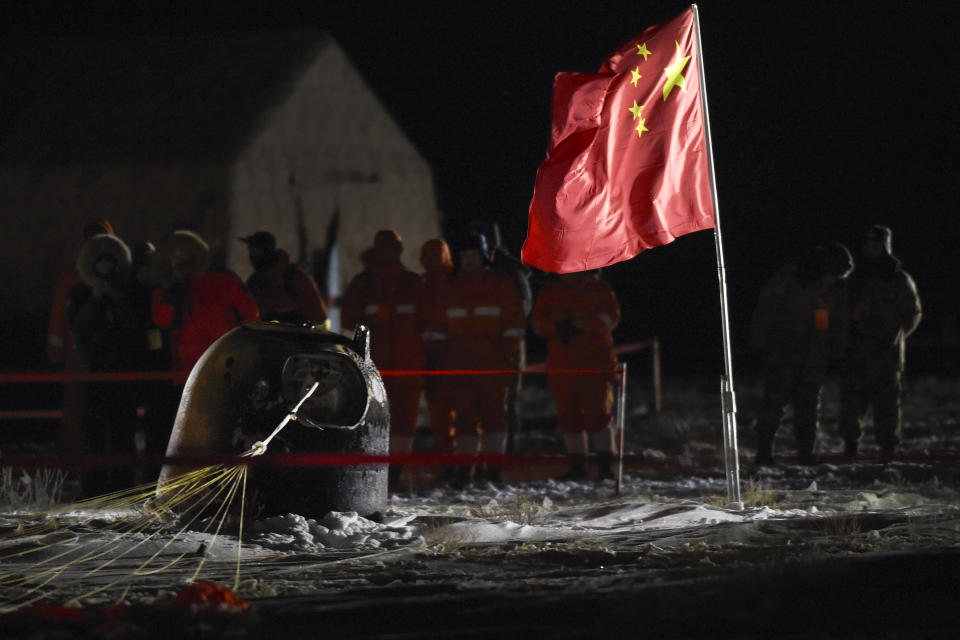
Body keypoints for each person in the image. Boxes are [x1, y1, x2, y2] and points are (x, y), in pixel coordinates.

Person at [749, 243, 854, 465]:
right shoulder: (791, 279)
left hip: (814, 356)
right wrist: (759, 344)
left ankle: (806, 454)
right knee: (773, 406)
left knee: (808, 407)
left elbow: (839, 323)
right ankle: (764, 454)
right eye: (832, 274)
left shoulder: (837, 289)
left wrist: (837, 352)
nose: (834, 279)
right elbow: (766, 310)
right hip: (783, 354)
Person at [437, 233, 525, 486]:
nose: (469, 261)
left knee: (494, 417)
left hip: (492, 364)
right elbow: (437, 325)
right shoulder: (450, 287)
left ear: (484, 256)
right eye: (465, 256)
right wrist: (443, 357)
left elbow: (514, 323)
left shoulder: (500, 283)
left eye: (474, 255)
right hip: (459, 365)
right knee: (463, 418)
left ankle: (493, 470)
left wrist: (502, 354)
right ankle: (466, 470)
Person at [341, 230, 427, 488]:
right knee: (373, 415)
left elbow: (428, 321)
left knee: (404, 418)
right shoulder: (364, 283)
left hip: (404, 363)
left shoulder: (413, 283)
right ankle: (378, 469)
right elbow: (348, 320)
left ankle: (395, 471)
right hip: (375, 363)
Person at [66, 232, 141, 495]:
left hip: (121, 373)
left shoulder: (128, 293)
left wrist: (117, 301)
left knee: (123, 433)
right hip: (92, 374)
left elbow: (135, 328)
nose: (106, 267)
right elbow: (76, 326)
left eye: (111, 261)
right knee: (92, 434)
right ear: (91, 264)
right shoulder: (79, 293)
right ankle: (92, 489)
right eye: (101, 262)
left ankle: (123, 488)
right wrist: (95, 299)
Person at [839, 225, 922, 459]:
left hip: (887, 354)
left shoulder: (898, 279)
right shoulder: (854, 279)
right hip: (856, 351)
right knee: (852, 403)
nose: (871, 249)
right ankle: (850, 447)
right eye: (868, 244)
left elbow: (913, 313)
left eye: (876, 244)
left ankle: (887, 450)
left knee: (886, 405)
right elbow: (840, 310)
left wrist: (896, 336)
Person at [531, 270, 620, 480]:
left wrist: (582, 323)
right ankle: (577, 468)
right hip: (562, 365)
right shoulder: (549, 292)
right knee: (568, 417)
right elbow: (537, 324)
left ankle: (607, 467)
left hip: (595, 364)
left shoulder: (598, 289)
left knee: (599, 415)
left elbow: (610, 318)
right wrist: (557, 322)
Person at [151, 230, 260, 374]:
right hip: (187, 369)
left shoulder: (223, 281)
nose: (180, 261)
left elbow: (251, 314)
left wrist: (240, 348)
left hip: (222, 362)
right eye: (175, 257)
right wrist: (173, 292)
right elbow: (163, 321)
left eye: (184, 255)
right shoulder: (165, 290)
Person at [47, 219, 114, 451]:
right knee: (80, 414)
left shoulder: (119, 277)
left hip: (105, 359)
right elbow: (61, 322)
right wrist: (56, 357)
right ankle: (81, 465)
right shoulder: (71, 277)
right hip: (80, 359)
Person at [239, 231, 328, 325]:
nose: (252, 257)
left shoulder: (295, 278)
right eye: (251, 252)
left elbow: (318, 317)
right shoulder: (254, 282)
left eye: (256, 252)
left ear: (267, 251)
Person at [419, 238, 455, 458]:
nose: (431, 261)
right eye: (427, 256)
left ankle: (468, 461)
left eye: (435, 256)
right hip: (430, 356)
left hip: (453, 356)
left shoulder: (455, 283)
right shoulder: (422, 285)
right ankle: (446, 459)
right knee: (439, 413)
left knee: (464, 412)